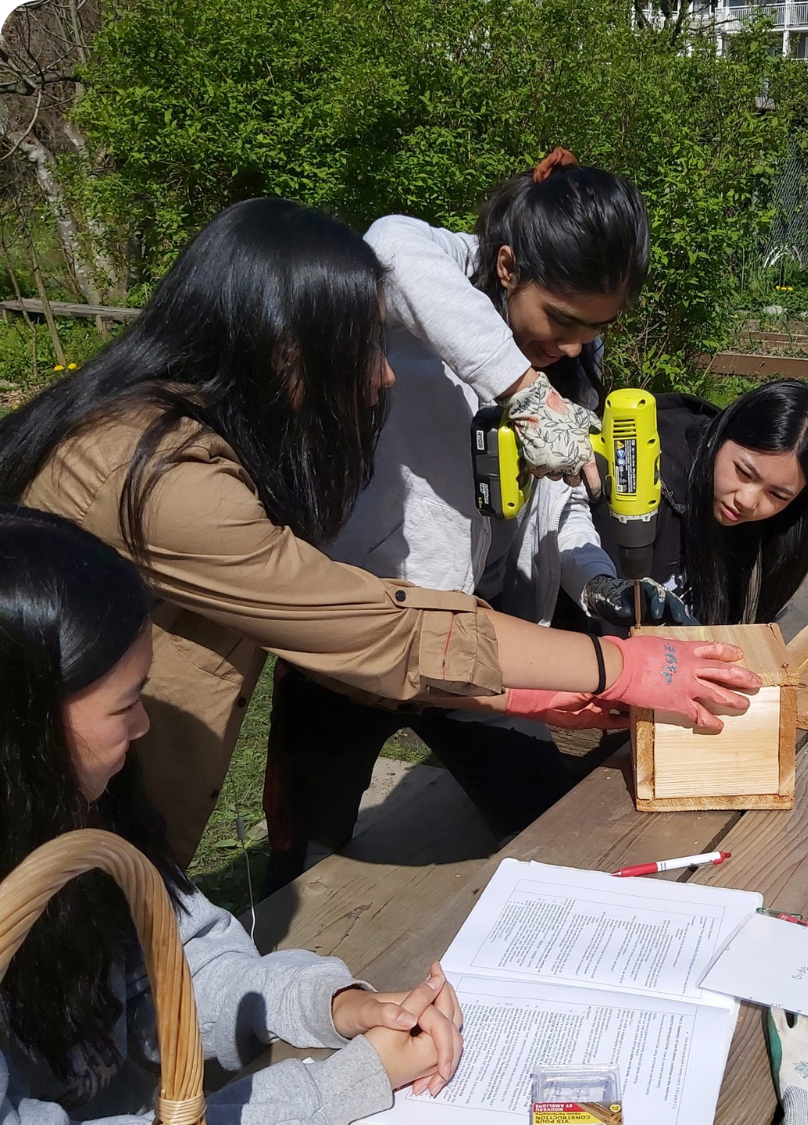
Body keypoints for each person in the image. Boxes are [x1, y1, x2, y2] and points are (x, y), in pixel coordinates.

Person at [0, 197, 760, 865]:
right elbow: (375, 630)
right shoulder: (169, 483)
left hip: (431, 649)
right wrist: (618, 667)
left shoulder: (172, 430)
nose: (384, 375)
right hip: (61, 813)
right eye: (363, 346)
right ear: (280, 344)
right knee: (305, 845)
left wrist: (549, 663)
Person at [0, 506, 468, 1125]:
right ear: (26, 725)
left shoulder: (79, 815)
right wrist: (334, 1090)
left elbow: (181, 960)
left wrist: (331, 1004)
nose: (143, 725)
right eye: (124, 703)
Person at [261, 154, 685, 891]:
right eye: (562, 319)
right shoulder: (427, 301)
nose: (576, 344)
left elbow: (565, 499)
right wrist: (521, 388)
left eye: (597, 326)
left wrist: (598, 583)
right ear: (509, 265)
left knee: (548, 820)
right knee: (305, 859)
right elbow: (389, 244)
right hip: (359, 633)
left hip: (476, 646)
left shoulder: (571, 358)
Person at [591, 382, 808, 626]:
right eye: (743, 472)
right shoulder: (638, 480)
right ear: (720, 436)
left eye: (778, 495)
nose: (747, 500)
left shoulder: (770, 521)